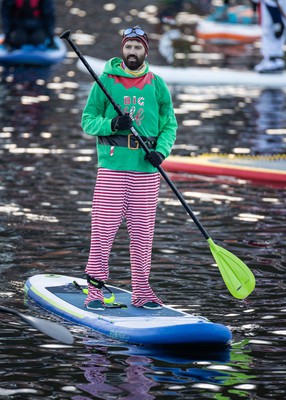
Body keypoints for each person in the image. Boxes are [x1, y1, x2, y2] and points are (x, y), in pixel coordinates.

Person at [81, 26, 178, 311]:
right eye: (128, 46)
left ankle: (142, 292)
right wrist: (111, 124)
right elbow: (88, 121)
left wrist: (162, 151)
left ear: (145, 51)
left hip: (146, 170)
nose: (132, 52)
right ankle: (95, 292)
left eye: (137, 47)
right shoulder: (105, 82)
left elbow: (169, 124)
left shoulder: (158, 84)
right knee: (103, 229)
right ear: (122, 49)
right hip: (113, 166)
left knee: (142, 233)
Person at [253, 0, 286, 73]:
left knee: (270, 33)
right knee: (271, 32)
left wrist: (277, 21)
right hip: (274, 7)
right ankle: (271, 59)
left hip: (273, 6)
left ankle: (273, 60)